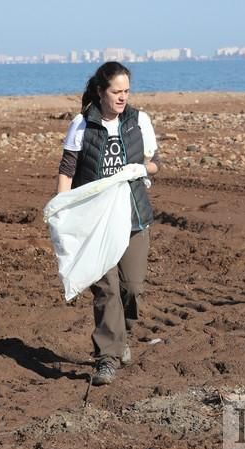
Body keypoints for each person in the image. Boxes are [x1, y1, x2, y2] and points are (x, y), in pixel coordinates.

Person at [57, 61, 161, 385]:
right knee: (107, 290)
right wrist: (63, 209)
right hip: (95, 223)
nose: (122, 98)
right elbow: (67, 170)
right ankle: (107, 357)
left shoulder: (138, 120)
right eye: (116, 91)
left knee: (132, 287)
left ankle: (122, 335)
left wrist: (140, 169)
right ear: (101, 92)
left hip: (133, 216)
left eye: (127, 91)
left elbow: (156, 163)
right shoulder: (81, 125)